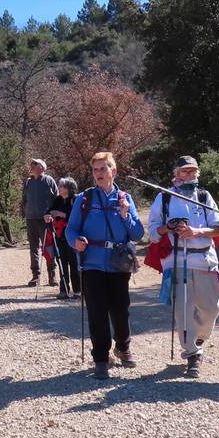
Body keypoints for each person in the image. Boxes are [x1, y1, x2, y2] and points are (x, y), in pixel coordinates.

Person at [66, 151, 144, 379]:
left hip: (119, 263)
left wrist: (125, 215)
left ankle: (123, 347)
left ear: (114, 171)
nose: (99, 173)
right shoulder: (85, 199)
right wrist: (75, 242)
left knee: (121, 310)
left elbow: (137, 233)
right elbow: (71, 230)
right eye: (95, 170)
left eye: (103, 168)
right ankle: (100, 358)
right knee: (97, 311)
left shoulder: (124, 199)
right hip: (92, 263)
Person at [147, 156, 219, 378]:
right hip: (177, 260)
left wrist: (197, 232)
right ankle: (192, 354)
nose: (190, 175)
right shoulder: (163, 198)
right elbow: (153, 232)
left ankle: (199, 337)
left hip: (205, 260)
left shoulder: (204, 196)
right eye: (185, 171)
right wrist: (168, 227)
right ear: (176, 173)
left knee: (212, 309)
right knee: (183, 312)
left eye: (193, 171)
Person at [22, 159, 58, 287]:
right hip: (31, 219)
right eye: (32, 164)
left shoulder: (49, 181)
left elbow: (57, 200)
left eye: (35, 164)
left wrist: (52, 214)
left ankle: (52, 276)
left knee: (48, 248)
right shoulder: (28, 182)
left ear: (42, 168)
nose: (31, 166)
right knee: (33, 248)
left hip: (45, 220)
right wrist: (26, 212)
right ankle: (35, 276)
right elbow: (24, 200)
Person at [44, 177, 81, 299]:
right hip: (59, 236)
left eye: (62, 186)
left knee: (74, 263)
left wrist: (60, 214)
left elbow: (77, 216)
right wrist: (47, 216)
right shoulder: (58, 200)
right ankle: (64, 290)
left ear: (69, 188)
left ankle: (78, 291)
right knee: (62, 262)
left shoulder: (75, 200)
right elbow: (48, 211)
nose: (60, 188)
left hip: (72, 236)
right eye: (60, 186)